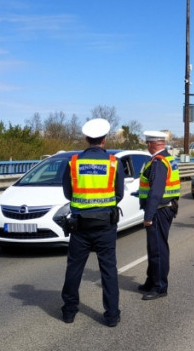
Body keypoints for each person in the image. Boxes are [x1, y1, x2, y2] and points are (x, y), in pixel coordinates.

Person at [61, 118, 123, 327]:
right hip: (105, 225)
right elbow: (119, 194)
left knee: (74, 269)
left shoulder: (74, 162)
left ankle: (69, 312)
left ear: (87, 139)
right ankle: (112, 315)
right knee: (108, 270)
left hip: (80, 226)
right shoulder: (114, 162)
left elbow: (68, 193)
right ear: (104, 140)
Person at [137, 130, 180, 300]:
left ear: (152, 144)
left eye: (148, 143)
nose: (147, 146)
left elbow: (156, 192)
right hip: (164, 208)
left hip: (159, 210)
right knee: (153, 247)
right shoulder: (167, 158)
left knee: (158, 249)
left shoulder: (158, 162)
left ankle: (160, 286)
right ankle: (151, 280)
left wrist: (148, 216)